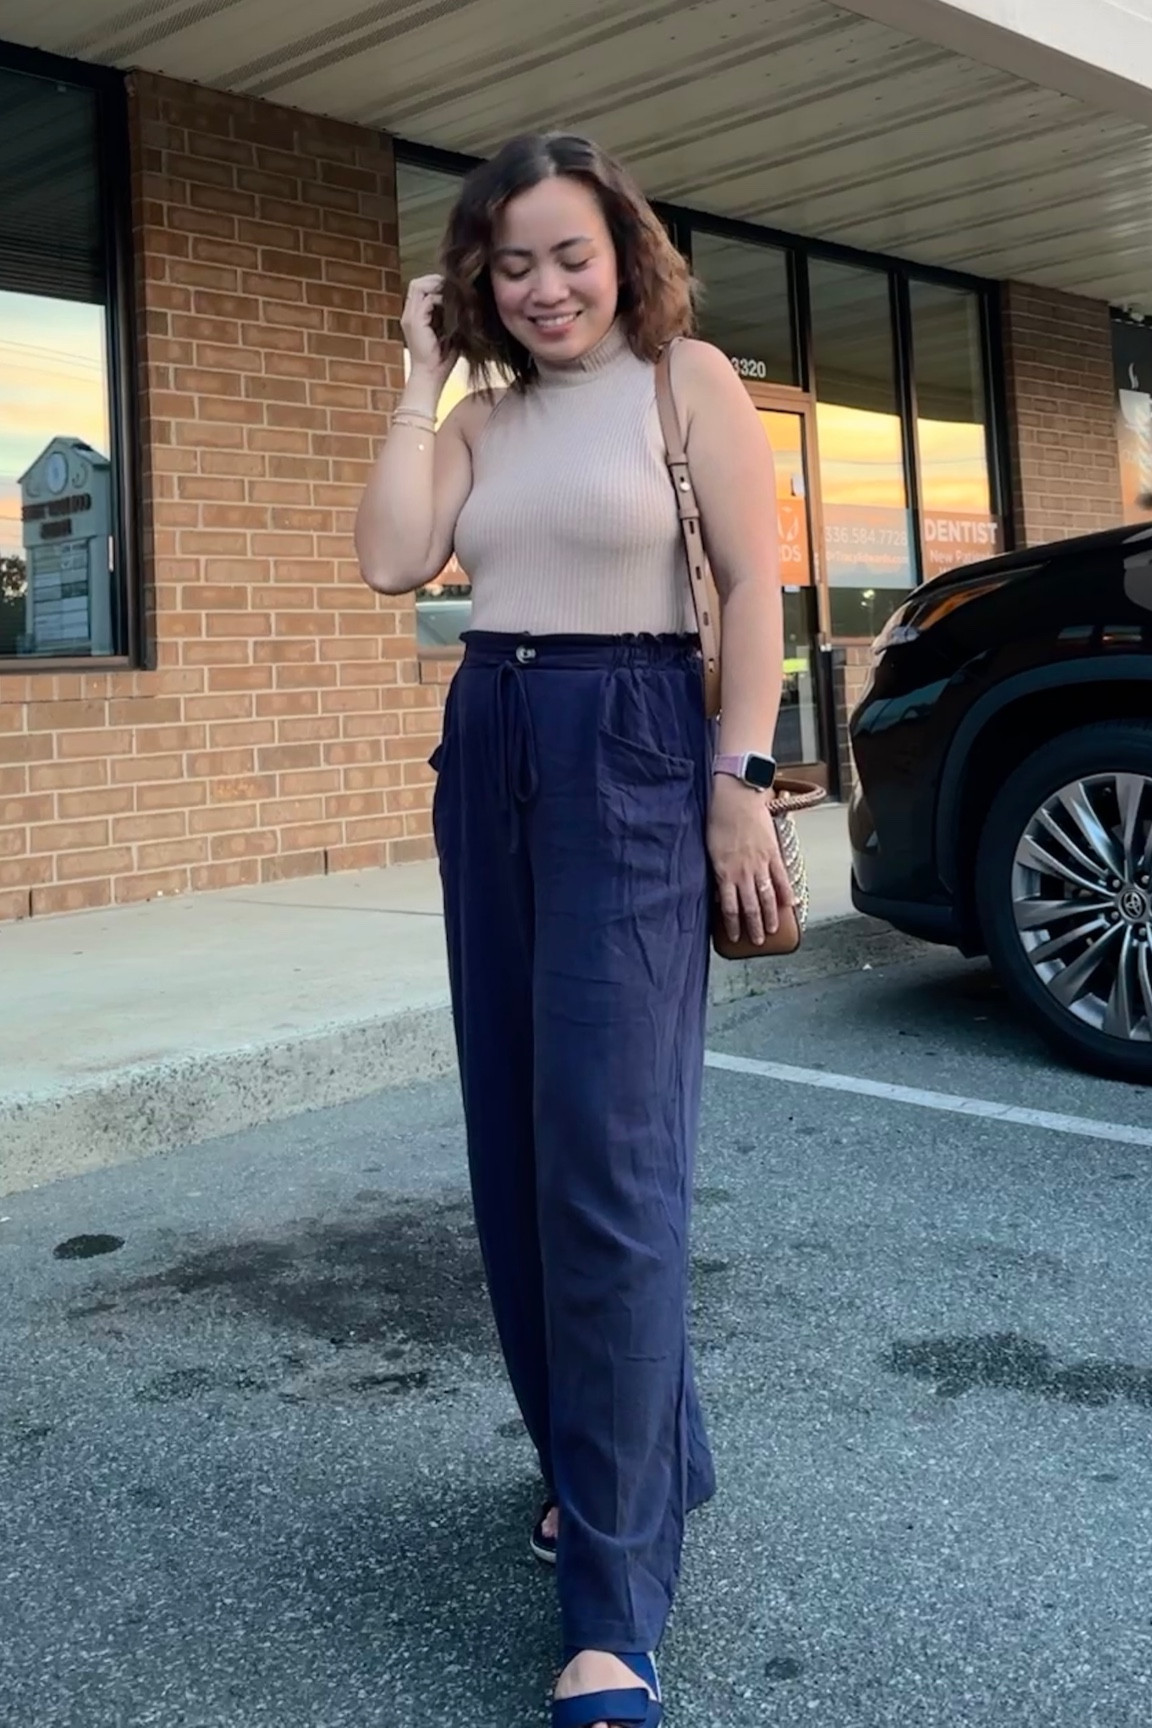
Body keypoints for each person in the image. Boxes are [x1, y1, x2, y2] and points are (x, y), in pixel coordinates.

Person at [356, 132, 788, 1728]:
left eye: (570, 254)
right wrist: (420, 375)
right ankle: (630, 1460)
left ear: (624, 252)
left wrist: (740, 780)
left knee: (612, 1162)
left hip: (636, 742)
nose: (545, 287)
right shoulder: (478, 418)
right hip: (492, 742)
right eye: (512, 262)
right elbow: (393, 560)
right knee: (519, 1153)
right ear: (478, 277)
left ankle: (615, 1601)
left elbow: (754, 586)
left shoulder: (689, 383)